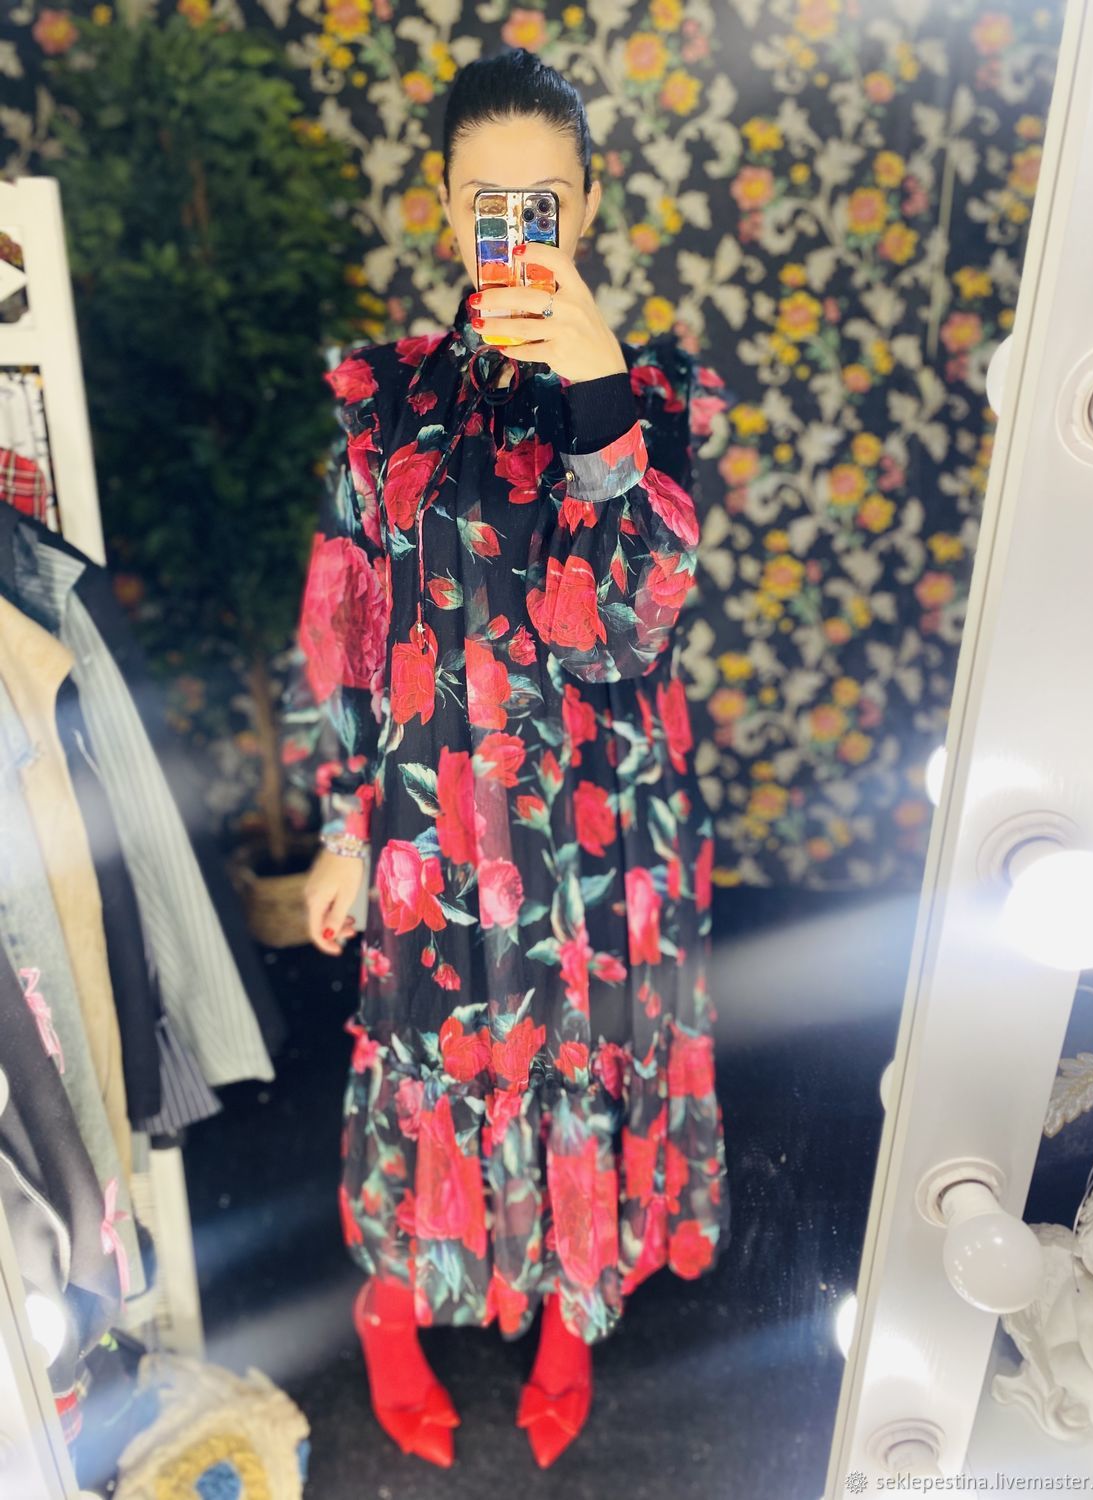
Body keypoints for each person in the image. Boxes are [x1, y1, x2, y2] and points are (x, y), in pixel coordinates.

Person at [280, 45, 734, 1470]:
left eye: (546, 200)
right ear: (445, 207)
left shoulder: (653, 398)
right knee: (426, 1053)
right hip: (435, 816)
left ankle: (562, 1320)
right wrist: (341, 825)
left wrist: (595, 395)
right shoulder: (385, 402)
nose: (520, 229)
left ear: (586, 205)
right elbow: (341, 628)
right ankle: (390, 1313)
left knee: (581, 1057)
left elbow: (626, 630)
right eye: (491, 202)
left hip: (601, 823)